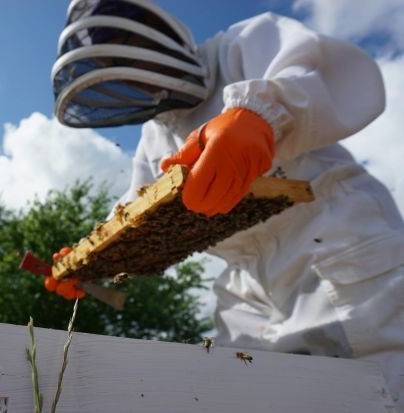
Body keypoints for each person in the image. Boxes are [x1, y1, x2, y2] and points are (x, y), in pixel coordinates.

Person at [49, 0, 404, 409]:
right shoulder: (156, 137)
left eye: (122, 45)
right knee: (242, 392)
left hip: (335, 243)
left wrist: (258, 116)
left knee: (380, 390)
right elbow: (137, 206)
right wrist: (89, 260)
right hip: (247, 284)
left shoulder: (241, 45)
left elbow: (326, 72)